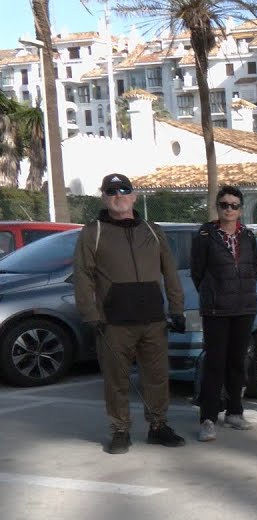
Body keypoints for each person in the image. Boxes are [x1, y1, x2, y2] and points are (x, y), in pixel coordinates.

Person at [72, 173, 186, 454]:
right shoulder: (92, 232)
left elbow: (170, 272)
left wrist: (177, 309)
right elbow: (82, 276)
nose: (118, 195)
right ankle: (120, 430)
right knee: (116, 381)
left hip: (153, 320)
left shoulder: (152, 230)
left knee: (157, 378)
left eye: (124, 190)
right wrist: (90, 314)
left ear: (134, 196)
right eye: (111, 191)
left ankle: (158, 426)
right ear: (104, 197)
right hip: (113, 322)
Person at [191, 185, 257, 442]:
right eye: (224, 205)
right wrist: (212, 294)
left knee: (237, 363)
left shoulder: (249, 237)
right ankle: (208, 418)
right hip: (216, 309)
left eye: (234, 205)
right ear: (217, 207)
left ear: (241, 209)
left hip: (244, 308)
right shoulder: (205, 235)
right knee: (215, 364)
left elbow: (254, 268)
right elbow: (198, 272)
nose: (229, 210)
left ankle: (234, 412)